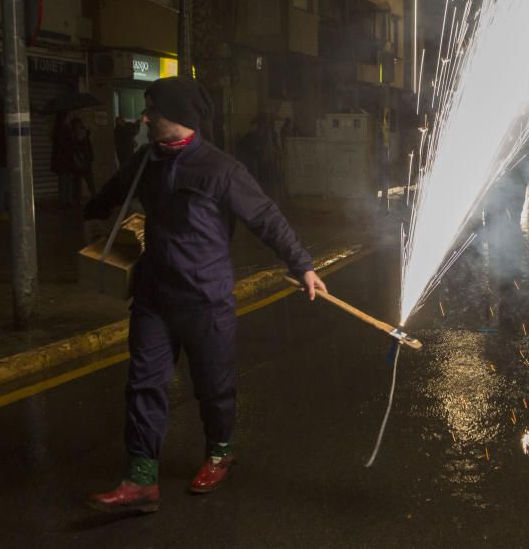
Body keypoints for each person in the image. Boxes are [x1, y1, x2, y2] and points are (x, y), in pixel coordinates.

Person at [84, 77, 326, 513]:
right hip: (154, 296)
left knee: (213, 386)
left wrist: (303, 265)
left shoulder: (221, 170)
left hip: (207, 299)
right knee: (143, 384)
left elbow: (267, 219)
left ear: (176, 116)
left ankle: (219, 452)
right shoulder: (146, 161)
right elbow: (112, 193)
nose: (145, 118)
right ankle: (140, 479)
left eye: (152, 111)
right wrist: (91, 217)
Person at [51, 112, 77, 207]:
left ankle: (65, 200)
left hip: (63, 159)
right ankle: (66, 200)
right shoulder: (64, 130)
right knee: (66, 180)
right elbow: (69, 144)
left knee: (65, 180)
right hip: (65, 159)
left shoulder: (60, 129)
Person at [72, 117, 96, 202]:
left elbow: (87, 148)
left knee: (88, 180)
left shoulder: (83, 134)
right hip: (80, 160)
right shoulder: (75, 135)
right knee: (79, 181)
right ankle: (77, 198)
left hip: (85, 160)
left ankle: (93, 195)